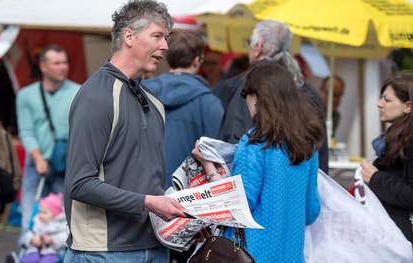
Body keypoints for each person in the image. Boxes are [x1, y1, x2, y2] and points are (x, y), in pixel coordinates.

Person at [63, 1, 189, 262]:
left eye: (166, 38)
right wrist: (149, 203)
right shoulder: (96, 97)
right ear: (129, 36)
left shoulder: (154, 102)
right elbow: (79, 183)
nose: (165, 46)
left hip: (155, 245)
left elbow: (147, 181)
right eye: (157, 36)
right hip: (103, 252)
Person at [192, 62, 324, 262]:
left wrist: (209, 167)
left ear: (256, 98)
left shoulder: (255, 142)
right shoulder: (307, 144)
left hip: (251, 255)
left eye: (245, 95)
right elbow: (311, 211)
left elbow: (237, 206)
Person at [213, 19, 329, 174]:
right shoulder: (308, 90)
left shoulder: (251, 87)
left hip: (256, 185)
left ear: (258, 48)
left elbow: (234, 146)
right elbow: (320, 154)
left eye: (250, 43)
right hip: (302, 184)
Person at [16, 45, 79, 247]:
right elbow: (26, 131)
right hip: (37, 164)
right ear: (43, 66)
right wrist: (37, 158)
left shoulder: (78, 92)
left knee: (63, 220)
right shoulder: (26, 95)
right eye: (57, 63)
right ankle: (25, 256)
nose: (63, 67)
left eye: (65, 62)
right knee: (29, 217)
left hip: (65, 166)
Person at [143, 30, 224, 188]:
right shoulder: (209, 103)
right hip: (190, 196)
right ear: (197, 61)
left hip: (145, 194)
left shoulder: (141, 93)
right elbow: (218, 157)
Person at [361, 73, 413, 243]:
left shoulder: (409, 141)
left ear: (408, 106)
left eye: (387, 100)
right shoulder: (394, 138)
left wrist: (375, 178)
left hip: (404, 240)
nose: (379, 104)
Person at [20, 193, 66, 263]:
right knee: (30, 259)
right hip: (35, 250)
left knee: (46, 261)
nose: (40, 215)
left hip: (52, 253)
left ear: (55, 213)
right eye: (39, 212)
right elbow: (28, 234)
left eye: (44, 212)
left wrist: (52, 239)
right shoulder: (37, 222)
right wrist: (32, 240)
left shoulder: (61, 225)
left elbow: (65, 239)